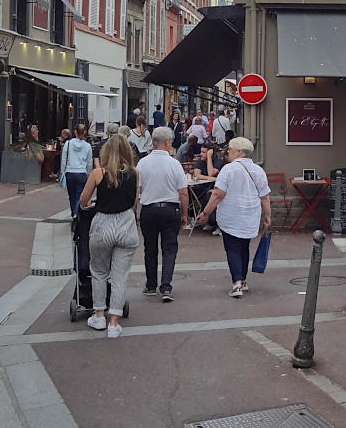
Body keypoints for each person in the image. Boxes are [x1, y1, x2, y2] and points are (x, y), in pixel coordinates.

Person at [79, 135, 140, 337]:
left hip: (102, 224)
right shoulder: (135, 173)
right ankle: (114, 322)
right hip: (125, 224)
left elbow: (84, 200)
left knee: (98, 272)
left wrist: (89, 204)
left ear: (105, 152)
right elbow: (133, 203)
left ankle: (99, 315)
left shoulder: (98, 173)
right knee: (120, 276)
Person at [195, 137, 270, 298]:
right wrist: (268, 216)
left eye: (230, 150)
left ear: (239, 152)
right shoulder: (258, 170)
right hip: (250, 215)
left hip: (231, 215)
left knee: (232, 248)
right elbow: (265, 197)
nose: (227, 153)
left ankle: (237, 282)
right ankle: (242, 279)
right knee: (244, 247)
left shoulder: (228, 170)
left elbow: (217, 195)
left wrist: (205, 213)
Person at [136, 127, 189, 301]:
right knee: (169, 248)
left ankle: (151, 285)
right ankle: (166, 286)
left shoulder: (142, 163)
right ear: (167, 142)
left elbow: (138, 189)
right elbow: (183, 192)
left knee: (150, 248)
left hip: (149, 210)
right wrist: (184, 214)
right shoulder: (174, 164)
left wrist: (135, 211)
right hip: (170, 209)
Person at [60, 124, 93, 220]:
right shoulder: (87, 146)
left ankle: (73, 212)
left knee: (72, 195)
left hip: (70, 172)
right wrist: (88, 173)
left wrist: (63, 172)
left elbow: (64, 159)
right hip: (82, 173)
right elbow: (89, 162)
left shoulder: (68, 144)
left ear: (75, 131)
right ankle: (76, 213)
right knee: (79, 195)